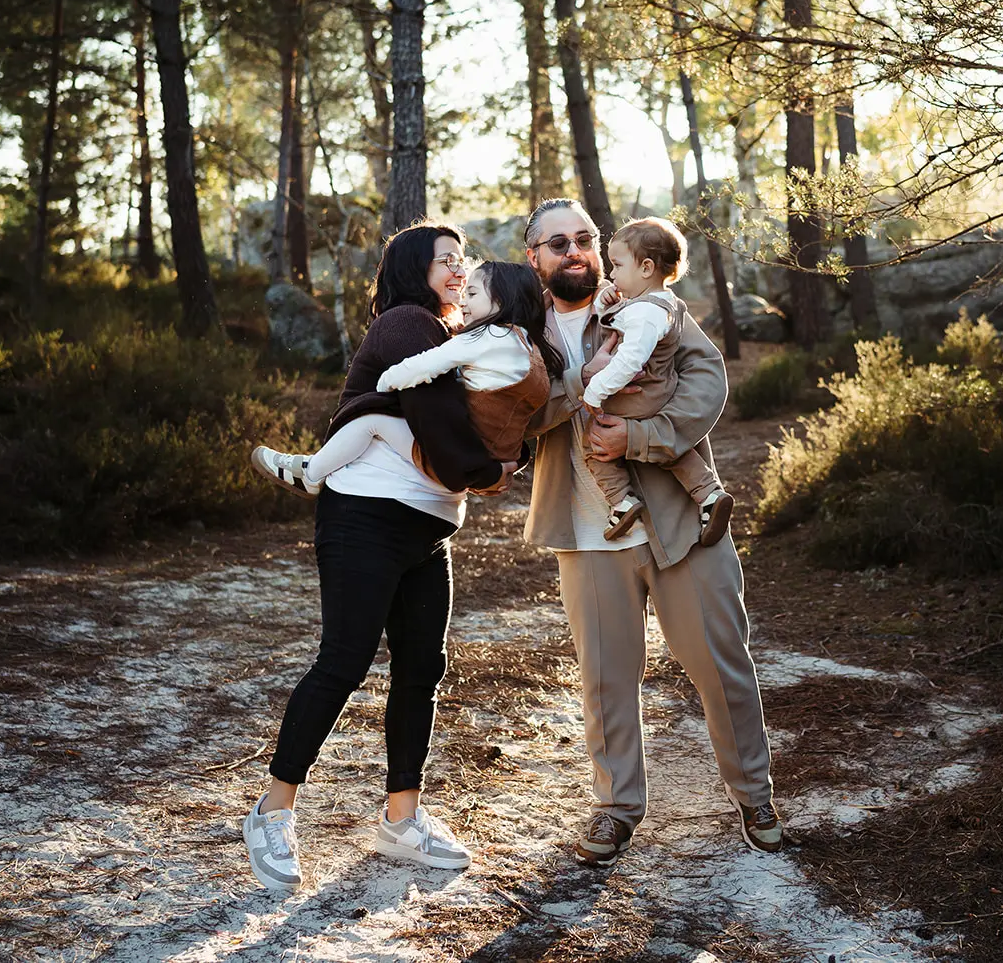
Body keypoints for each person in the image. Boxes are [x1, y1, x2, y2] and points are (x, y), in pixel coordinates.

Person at [240, 221, 518, 892]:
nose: (456, 268)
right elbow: (445, 426)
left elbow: (495, 417)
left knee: (423, 668)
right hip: (365, 518)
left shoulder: (454, 340)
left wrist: (504, 451)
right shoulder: (405, 322)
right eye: (442, 260)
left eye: (462, 259)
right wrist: (488, 470)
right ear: (411, 270)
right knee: (344, 659)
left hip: (427, 531)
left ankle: (402, 819)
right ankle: (273, 810)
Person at [521, 197, 783, 866]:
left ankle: (754, 795)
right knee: (606, 681)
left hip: (680, 524)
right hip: (587, 534)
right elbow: (518, 416)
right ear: (536, 259)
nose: (574, 250)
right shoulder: (525, 335)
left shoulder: (652, 307)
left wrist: (640, 436)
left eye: (584, 237)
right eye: (558, 243)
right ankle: (615, 808)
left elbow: (706, 382)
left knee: (721, 664)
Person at [251, 260, 563, 496]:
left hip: (462, 459)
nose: (463, 301)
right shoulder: (528, 344)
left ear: (501, 299)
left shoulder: (483, 336)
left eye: (471, 292)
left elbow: (424, 364)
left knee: (371, 419)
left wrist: (386, 382)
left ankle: (312, 472)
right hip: (499, 456)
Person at [581, 217, 733, 547]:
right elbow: (624, 320)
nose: (612, 274)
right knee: (673, 452)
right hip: (661, 392)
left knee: (592, 444)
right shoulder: (663, 303)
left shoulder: (643, 313)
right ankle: (708, 494)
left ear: (646, 267)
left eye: (618, 265)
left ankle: (621, 501)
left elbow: (629, 359)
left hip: (640, 394)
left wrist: (595, 390)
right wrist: (608, 303)